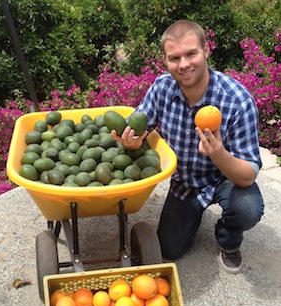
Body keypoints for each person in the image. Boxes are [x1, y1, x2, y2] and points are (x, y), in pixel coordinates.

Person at [111, 20, 264, 273]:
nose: (183, 65)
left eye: (191, 54)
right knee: (169, 250)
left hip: (227, 177)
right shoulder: (162, 88)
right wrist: (133, 141)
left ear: (206, 51)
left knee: (246, 208)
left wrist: (219, 154)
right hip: (186, 183)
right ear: (165, 60)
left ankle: (228, 239)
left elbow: (247, 175)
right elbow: (141, 125)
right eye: (174, 58)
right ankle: (192, 214)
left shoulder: (237, 100)